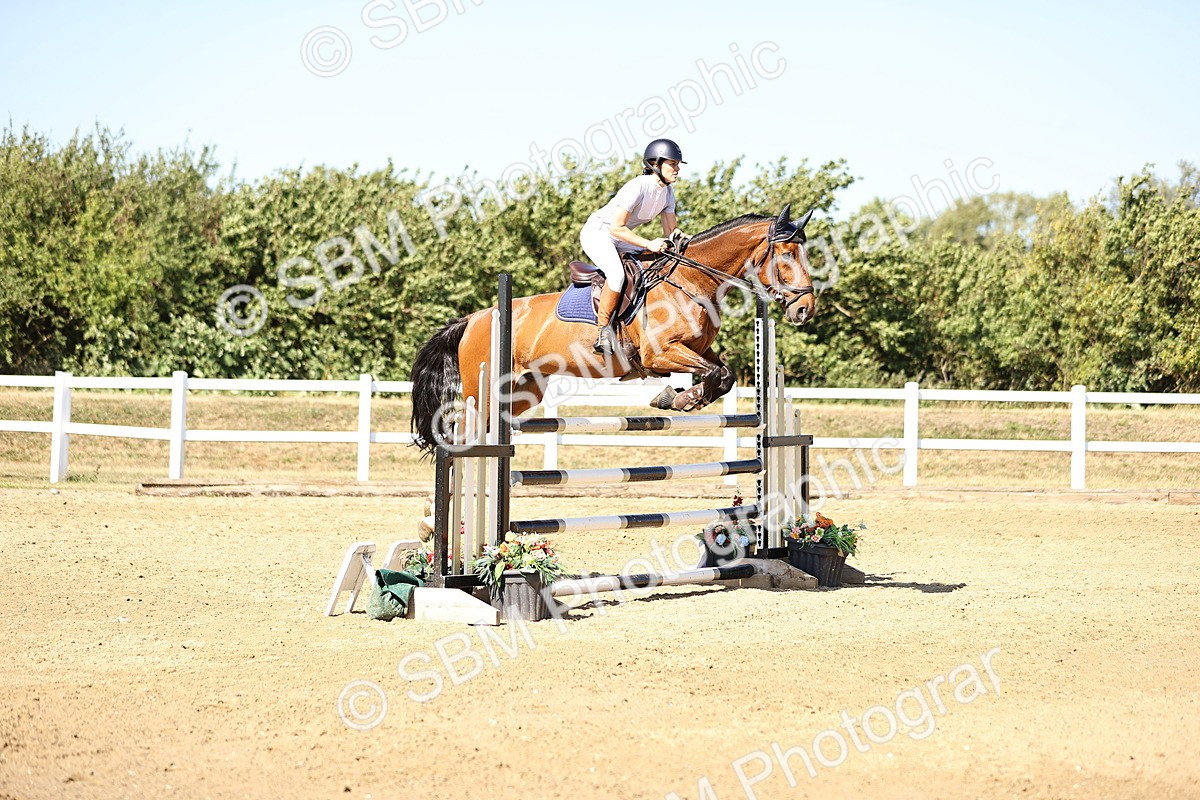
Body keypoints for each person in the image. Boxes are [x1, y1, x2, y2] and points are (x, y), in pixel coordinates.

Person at [579, 138, 686, 354]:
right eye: (672, 164)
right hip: (599, 233)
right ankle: (604, 331)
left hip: (620, 236)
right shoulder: (638, 186)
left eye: (677, 165)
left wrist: (688, 239)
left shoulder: (668, 193)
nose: (677, 170)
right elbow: (616, 228)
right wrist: (648, 243)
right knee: (617, 275)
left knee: (653, 265)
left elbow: (670, 233)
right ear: (655, 164)